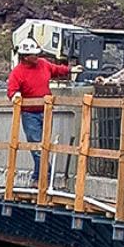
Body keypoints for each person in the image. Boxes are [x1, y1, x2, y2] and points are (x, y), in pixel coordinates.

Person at [7, 38, 81, 176]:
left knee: (44, 144)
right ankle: (44, 174)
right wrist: (16, 96)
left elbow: (56, 69)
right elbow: (12, 90)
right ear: (25, 57)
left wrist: (71, 70)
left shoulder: (43, 64)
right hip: (30, 114)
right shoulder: (17, 72)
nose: (37, 56)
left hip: (46, 111)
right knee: (36, 146)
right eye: (33, 54)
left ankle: (38, 177)